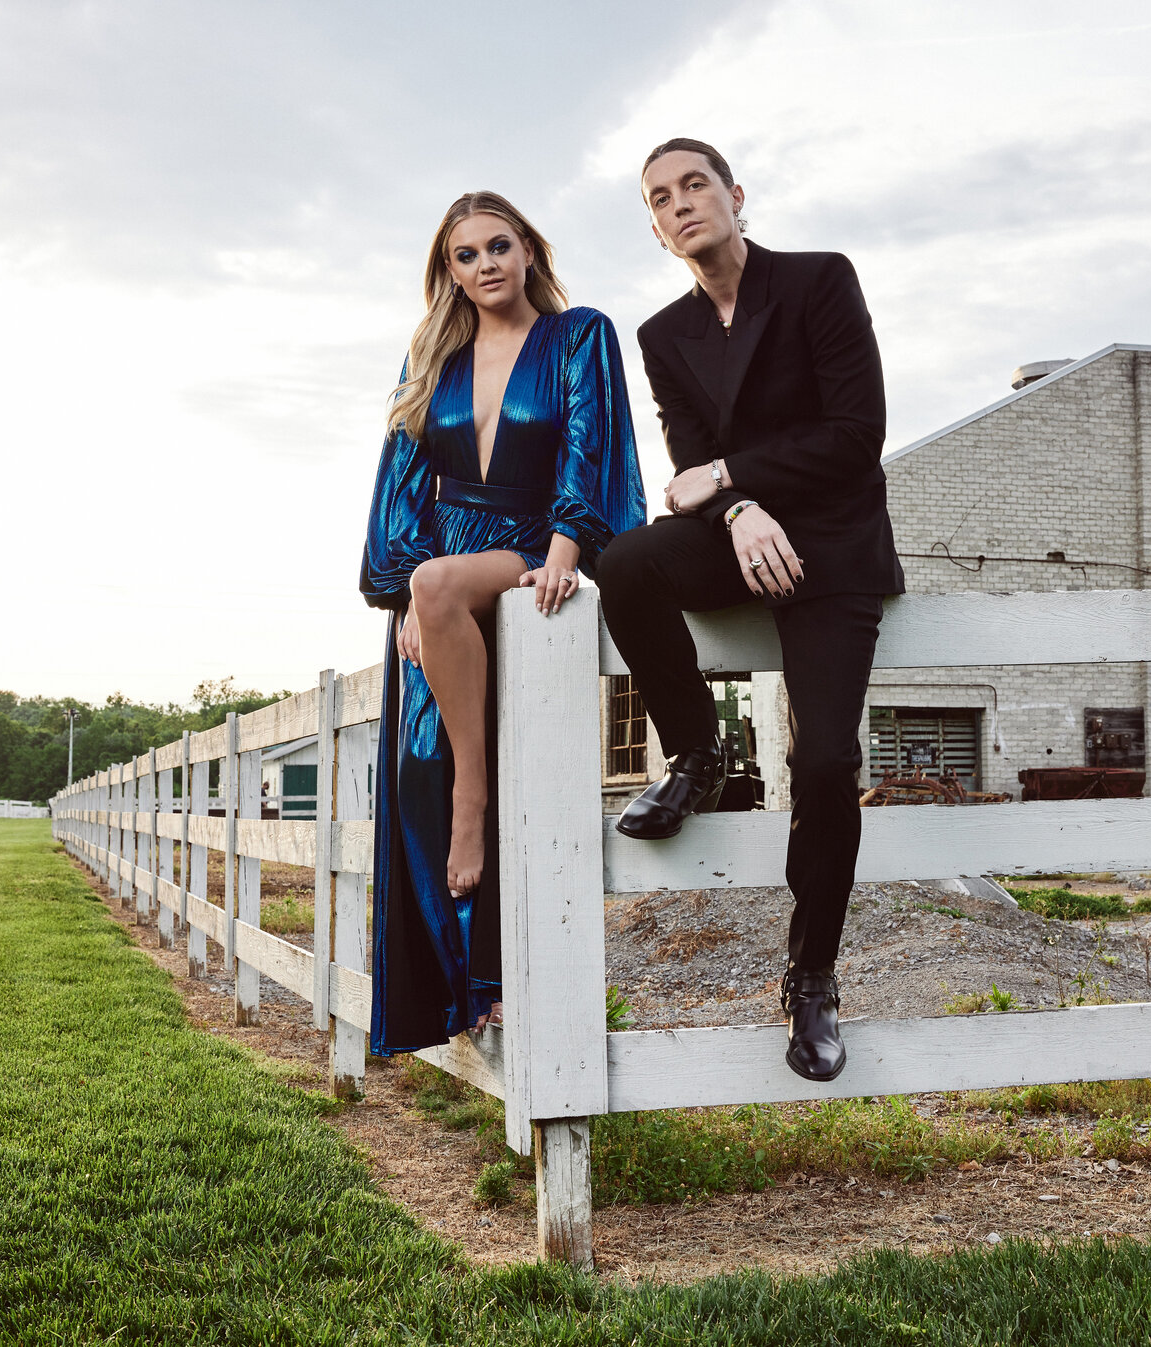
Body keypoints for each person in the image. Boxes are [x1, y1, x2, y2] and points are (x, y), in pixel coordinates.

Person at [596, 139, 904, 1083]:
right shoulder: (662, 336)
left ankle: (810, 976)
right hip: (746, 536)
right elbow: (685, 472)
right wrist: (736, 507)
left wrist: (731, 476)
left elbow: (856, 435)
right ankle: (696, 752)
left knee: (822, 759)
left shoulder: (817, 282)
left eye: (695, 185)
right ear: (655, 229)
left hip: (836, 551)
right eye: (660, 198)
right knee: (629, 561)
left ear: (734, 195)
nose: (681, 204)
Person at [360, 191, 647, 1056]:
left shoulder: (578, 334)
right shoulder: (429, 363)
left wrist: (566, 547)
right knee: (417, 769)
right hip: (438, 576)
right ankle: (458, 1002)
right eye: (465, 255)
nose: (485, 265)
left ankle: (473, 802)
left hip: (524, 546)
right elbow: (401, 485)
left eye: (498, 246)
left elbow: (590, 443)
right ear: (447, 271)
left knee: (467, 781)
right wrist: (411, 591)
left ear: (528, 250)